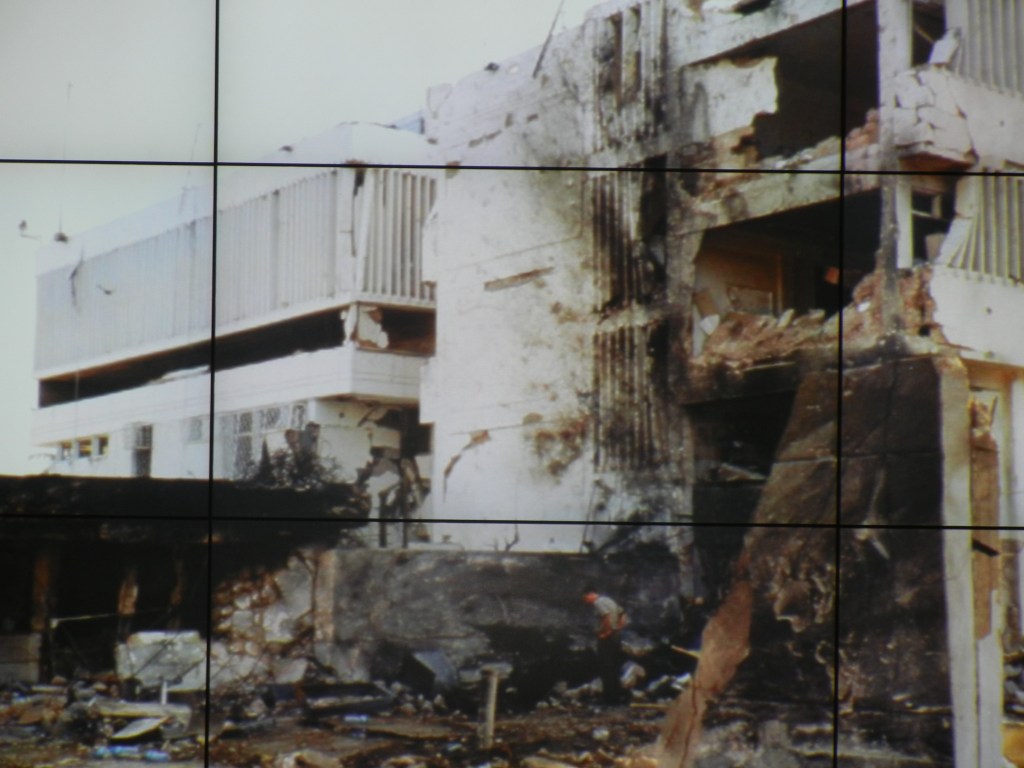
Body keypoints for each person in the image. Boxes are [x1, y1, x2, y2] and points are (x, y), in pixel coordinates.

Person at [583, 587, 628, 704]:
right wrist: (618, 627)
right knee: (614, 666)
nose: (586, 601)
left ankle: (609, 698)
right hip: (616, 636)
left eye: (585, 598)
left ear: (590, 594)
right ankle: (618, 695)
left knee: (605, 667)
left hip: (608, 638)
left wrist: (605, 632)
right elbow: (622, 614)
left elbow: (606, 616)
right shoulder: (608, 600)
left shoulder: (598, 603)